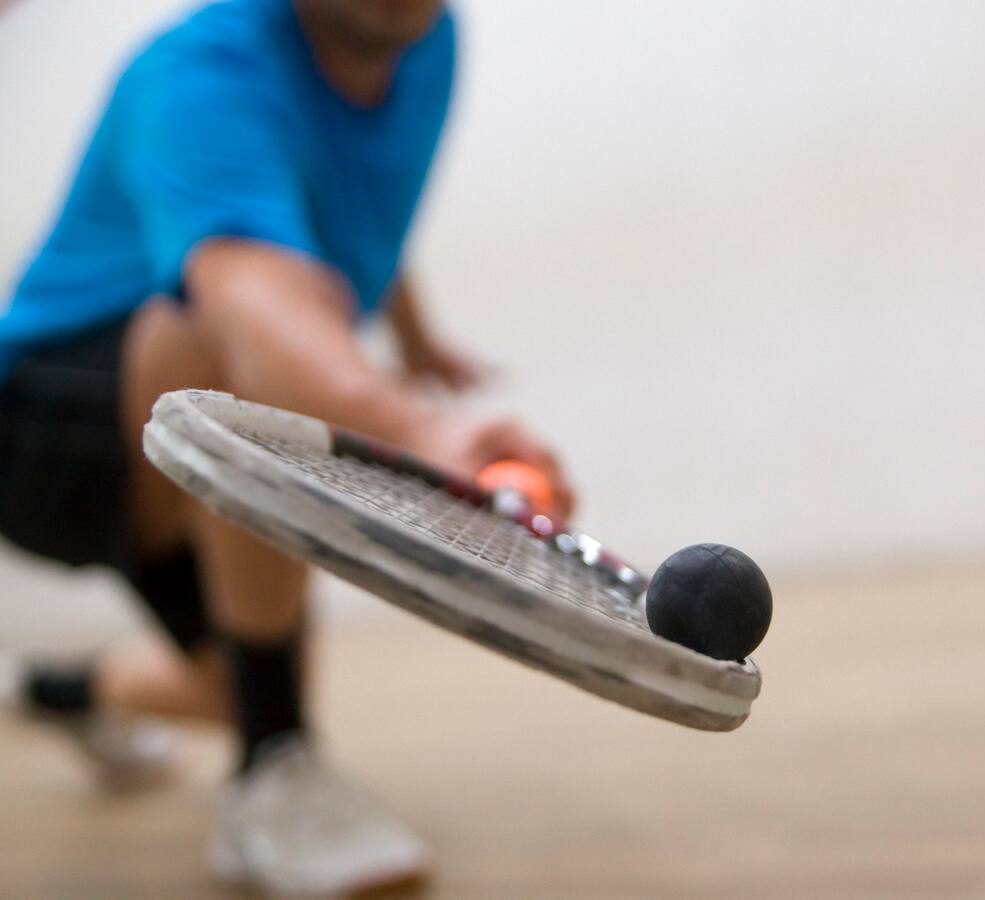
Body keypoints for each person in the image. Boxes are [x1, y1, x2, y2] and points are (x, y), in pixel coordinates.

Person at [0, 0, 572, 894]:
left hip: (198, 393)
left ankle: (60, 693)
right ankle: (273, 775)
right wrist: (419, 431)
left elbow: (346, 208)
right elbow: (246, 289)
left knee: (228, 684)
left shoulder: (426, 42)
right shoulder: (197, 77)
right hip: (42, 432)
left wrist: (414, 335)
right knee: (210, 340)